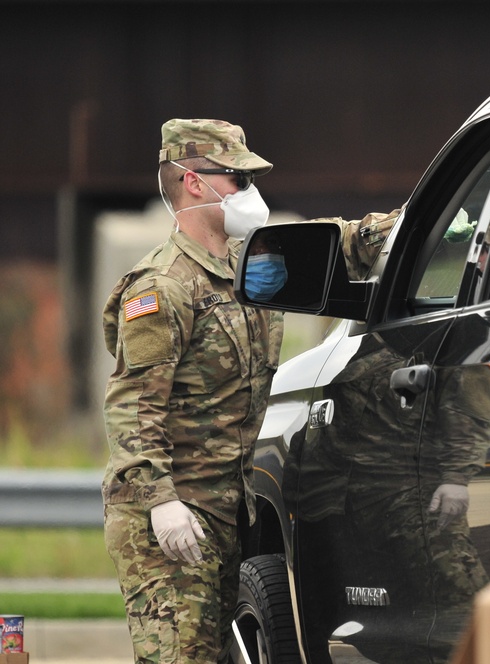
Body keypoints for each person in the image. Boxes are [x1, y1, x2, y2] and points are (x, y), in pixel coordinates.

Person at [101, 118, 283, 663]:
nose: (249, 194)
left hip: (228, 515)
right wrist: (161, 502)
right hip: (171, 520)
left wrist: (409, 224)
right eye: (237, 180)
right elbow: (134, 407)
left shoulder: (243, 270)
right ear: (194, 183)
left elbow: (341, 241)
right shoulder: (162, 286)